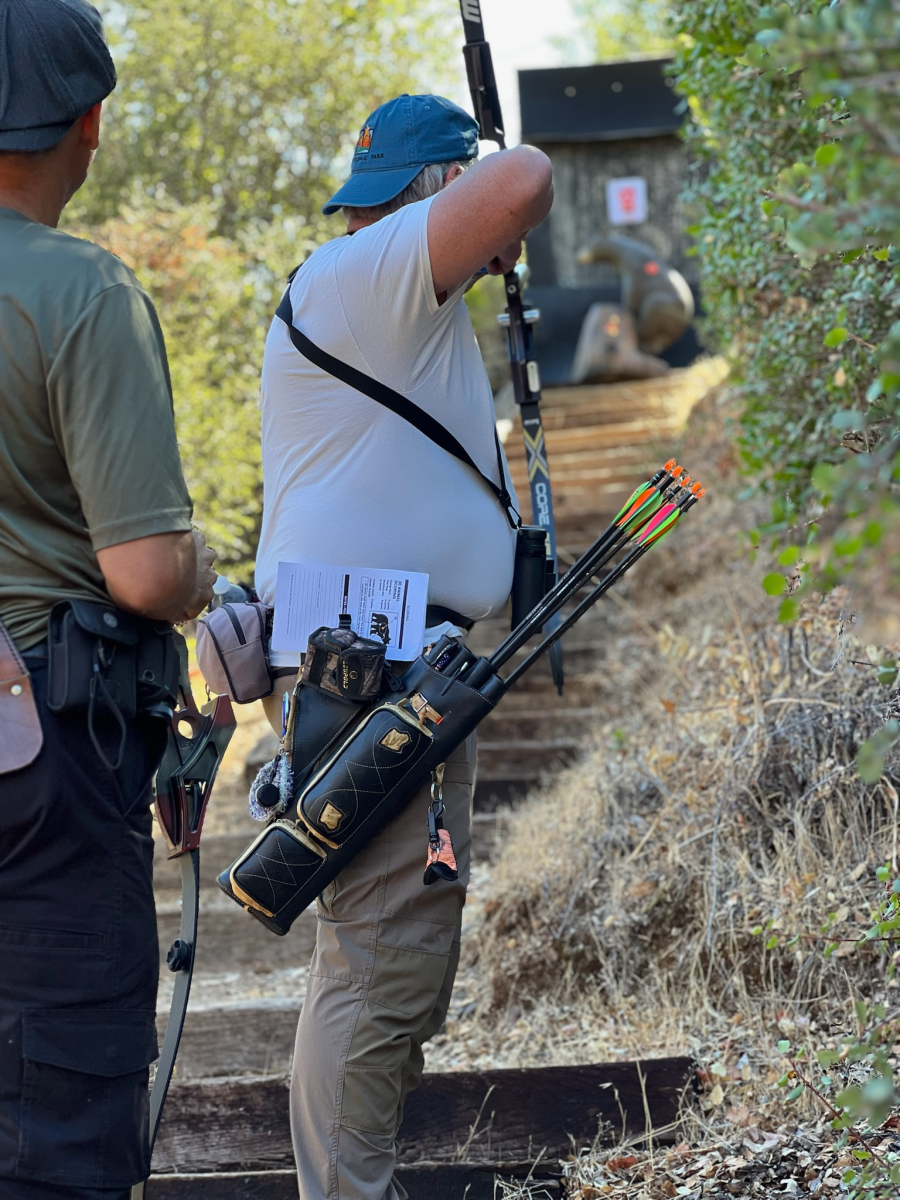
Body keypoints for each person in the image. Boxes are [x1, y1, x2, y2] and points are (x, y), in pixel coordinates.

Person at [254, 93, 553, 1199]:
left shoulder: (375, 292)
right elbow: (524, 178)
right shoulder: (369, 275)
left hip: (392, 662)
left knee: (396, 962)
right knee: (378, 961)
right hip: (372, 667)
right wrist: (487, 195)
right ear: (438, 191)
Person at [0, 3, 216, 1197]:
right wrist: (202, 568)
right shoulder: (81, 291)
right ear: (89, 122)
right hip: (43, 751)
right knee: (61, 1113)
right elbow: (144, 573)